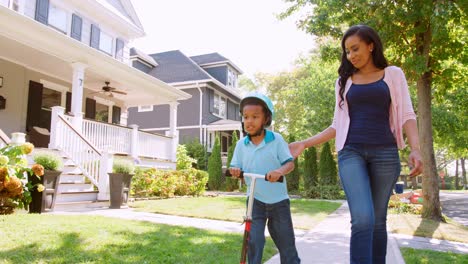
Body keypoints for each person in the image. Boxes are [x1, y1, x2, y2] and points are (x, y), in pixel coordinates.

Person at [289, 25, 423, 264]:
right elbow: (335, 125)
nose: (351, 55)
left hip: (385, 153)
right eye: (347, 51)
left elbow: (407, 116)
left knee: (378, 220)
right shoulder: (343, 83)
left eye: (355, 48)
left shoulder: (393, 74)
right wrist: (305, 143)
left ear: (371, 46)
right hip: (351, 153)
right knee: (362, 218)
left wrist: (416, 149)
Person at [229, 91, 300, 264]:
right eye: (246, 117)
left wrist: (279, 172)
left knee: (286, 245)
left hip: (279, 202)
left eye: (255, 116)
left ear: (266, 119)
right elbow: (234, 166)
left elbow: (289, 163)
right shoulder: (241, 145)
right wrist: (235, 171)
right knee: (254, 242)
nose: (249, 121)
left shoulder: (276, 140)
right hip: (255, 201)